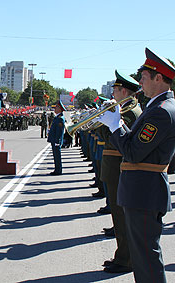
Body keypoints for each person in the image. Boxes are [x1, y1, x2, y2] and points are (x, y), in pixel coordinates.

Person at [97, 48, 175, 283]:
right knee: (143, 256)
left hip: (143, 190)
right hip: (142, 189)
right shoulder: (157, 107)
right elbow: (136, 143)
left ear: (158, 78)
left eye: (143, 77)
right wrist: (118, 124)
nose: (139, 82)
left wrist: (115, 126)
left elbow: (132, 151)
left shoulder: (161, 112)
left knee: (146, 257)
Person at [99, 70, 142, 273]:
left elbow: (115, 140)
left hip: (120, 169)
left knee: (122, 216)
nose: (113, 93)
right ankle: (122, 255)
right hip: (115, 168)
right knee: (118, 216)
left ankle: (126, 259)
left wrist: (106, 122)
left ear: (123, 91)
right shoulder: (123, 110)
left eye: (115, 90)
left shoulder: (130, 113)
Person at [47, 101, 66, 175]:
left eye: (56, 107)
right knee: (55, 156)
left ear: (60, 109)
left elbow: (59, 131)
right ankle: (57, 169)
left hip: (56, 140)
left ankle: (58, 170)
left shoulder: (60, 118)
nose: (55, 109)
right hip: (54, 139)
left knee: (57, 156)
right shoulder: (57, 117)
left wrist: (57, 141)